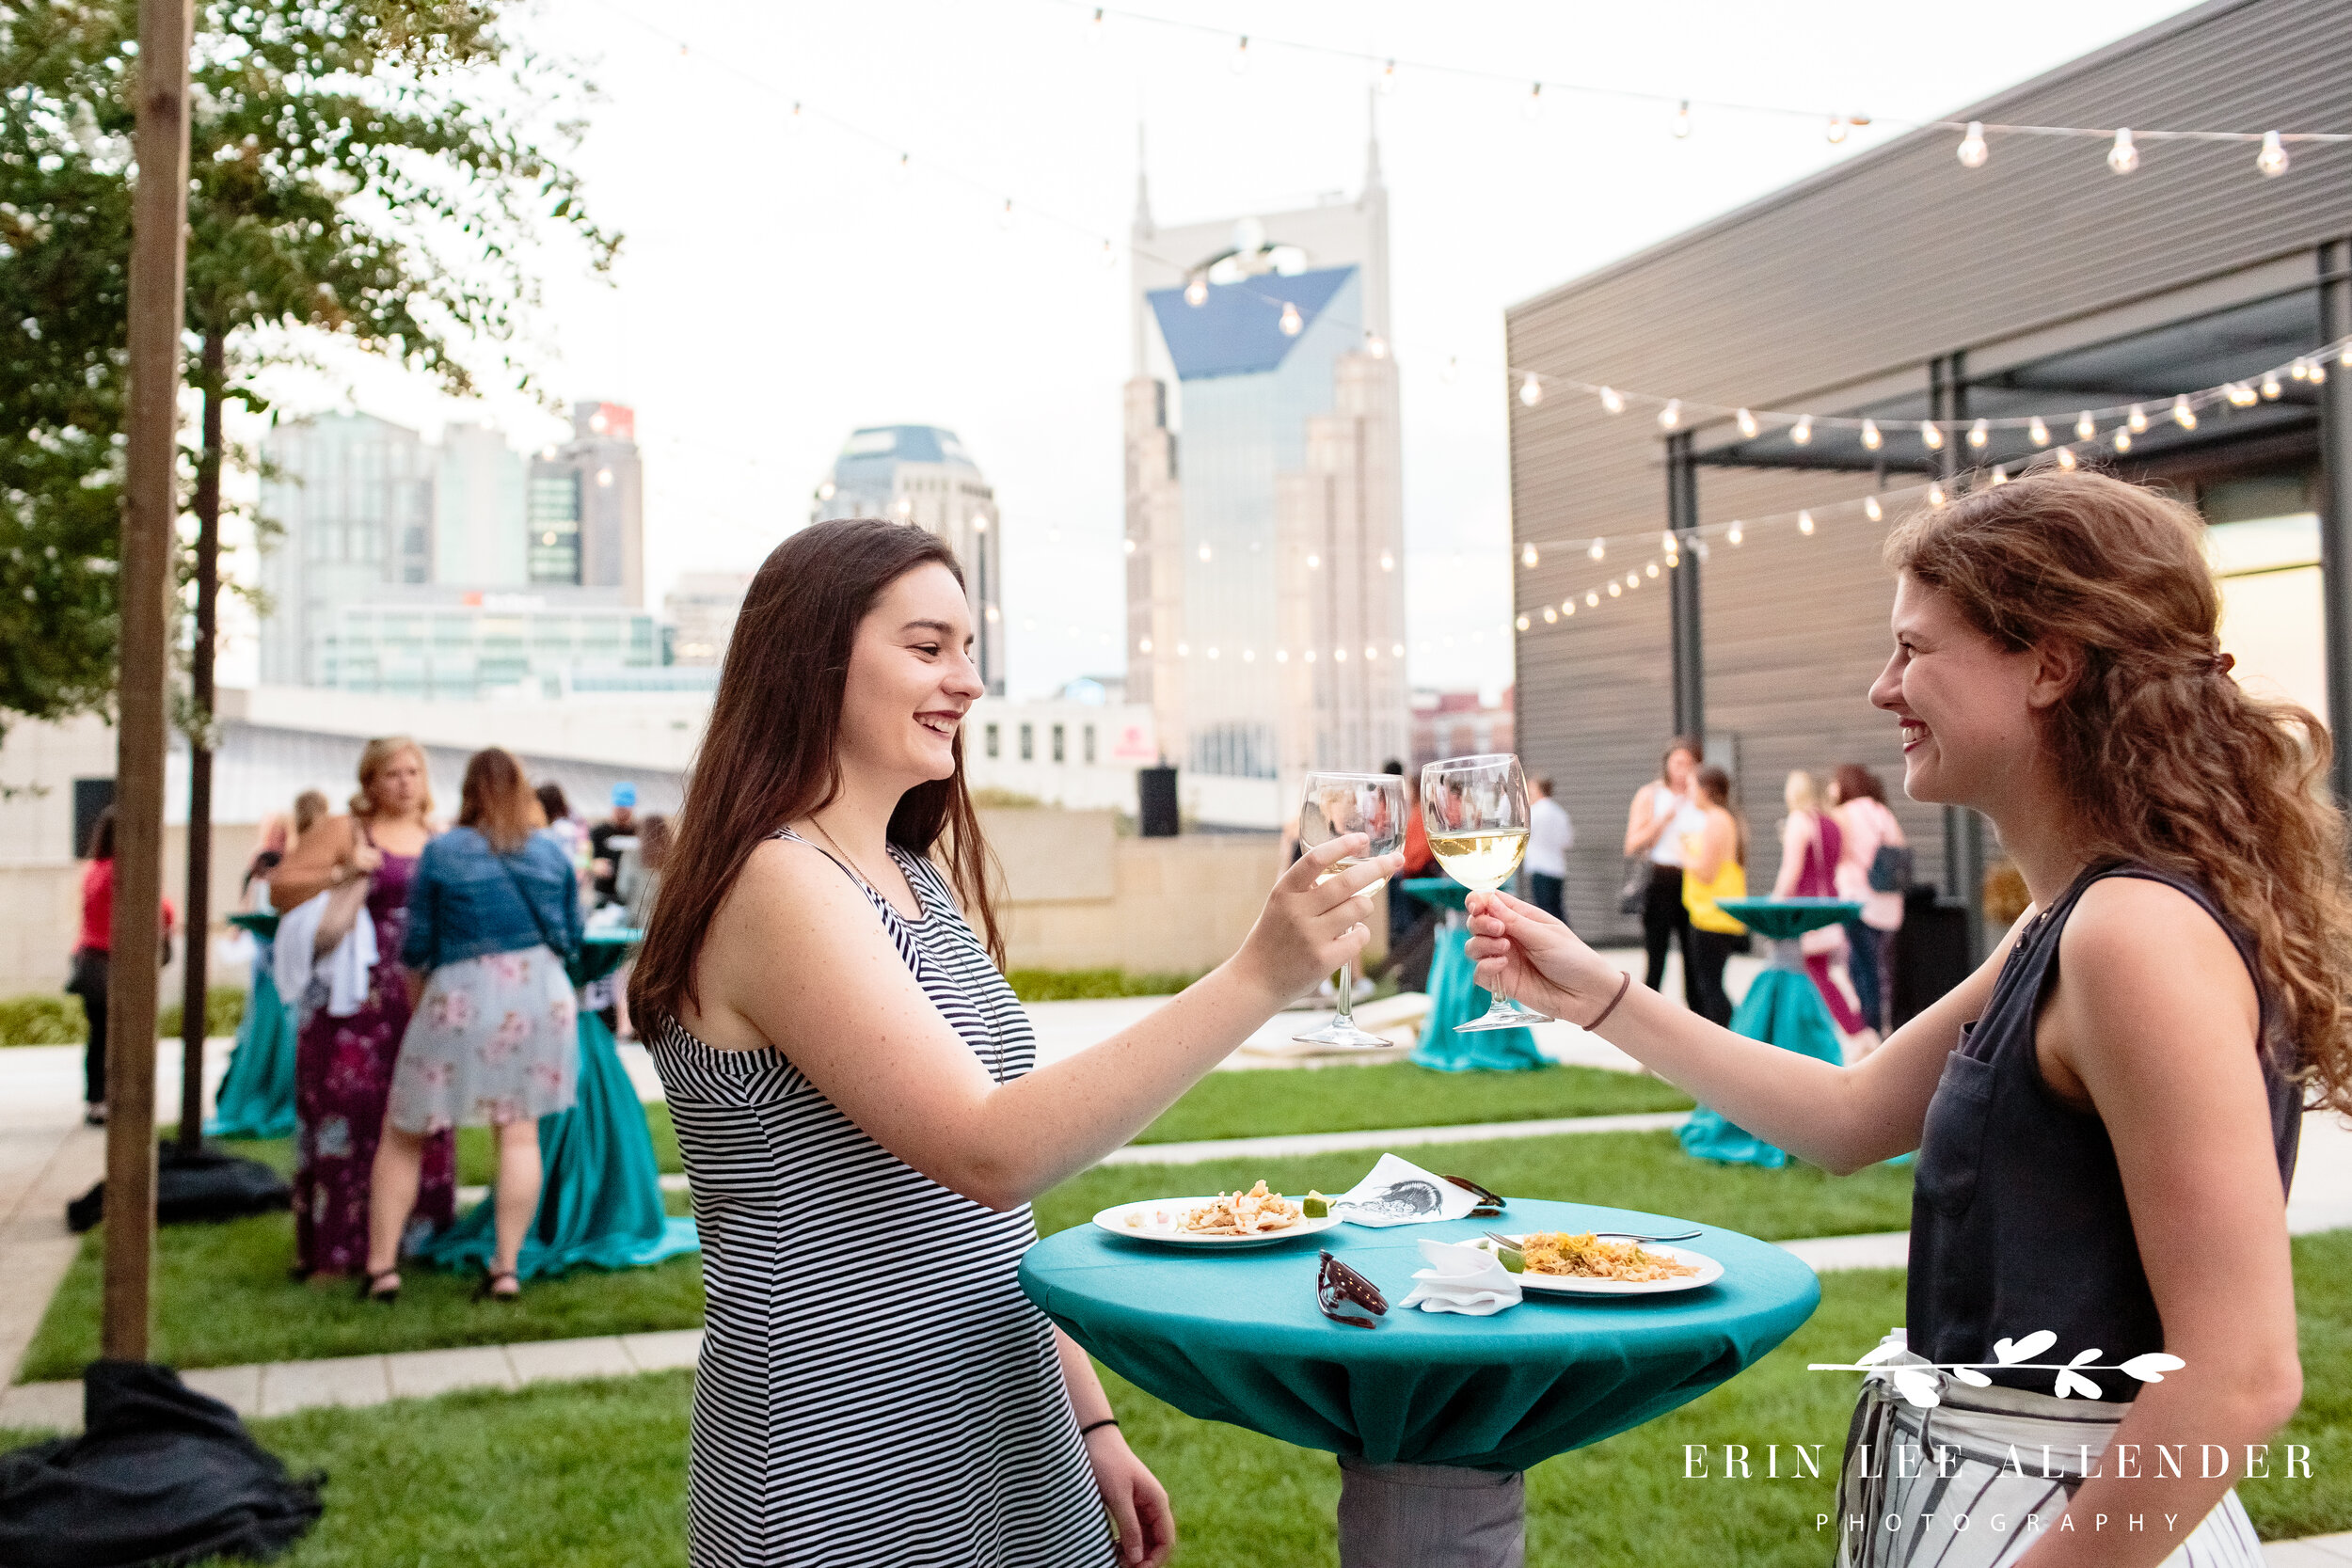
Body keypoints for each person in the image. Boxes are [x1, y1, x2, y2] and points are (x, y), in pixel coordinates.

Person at [1465, 467, 2346, 1566]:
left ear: (2049, 663)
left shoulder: (2132, 935)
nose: (1884, 689)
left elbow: (2242, 1374)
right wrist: (1596, 993)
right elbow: (1845, 1116)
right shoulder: (2069, 918)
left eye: (1914, 649)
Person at [628, 517, 1395, 1568]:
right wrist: (1257, 976)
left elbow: (987, 1219)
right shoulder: (776, 884)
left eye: (971, 649)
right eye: (928, 645)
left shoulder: (917, 876)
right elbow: (992, 1150)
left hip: (1004, 1423)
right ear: (812, 658)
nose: (968, 681)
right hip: (845, 1452)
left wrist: (1089, 1421)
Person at [362, 748, 582, 1304]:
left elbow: (416, 948)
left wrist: (423, 1010)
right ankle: (505, 1268)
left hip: (461, 992)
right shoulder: (552, 855)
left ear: (467, 791)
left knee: (404, 1131)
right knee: (519, 1131)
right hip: (539, 993)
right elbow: (571, 939)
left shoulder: (441, 852)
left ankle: (381, 1268)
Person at [270, 736, 454, 1279]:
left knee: (419, 1113)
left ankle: (417, 1241)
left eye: (413, 771)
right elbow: (281, 887)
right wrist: (342, 873)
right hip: (355, 1002)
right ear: (369, 781)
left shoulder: (438, 837)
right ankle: (339, 1244)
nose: (404, 782)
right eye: (391, 773)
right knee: (347, 1113)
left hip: (421, 994)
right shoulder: (344, 830)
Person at [65, 808, 177, 1127]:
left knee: (98, 1035)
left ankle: (96, 1099)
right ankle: (119, 1098)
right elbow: (163, 911)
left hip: (89, 961)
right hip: (114, 964)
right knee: (122, 1037)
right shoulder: (125, 871)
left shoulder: (94, 869)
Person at [1773, 769, 1867, 1037]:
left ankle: (1848, 1030)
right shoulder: (1831, 823)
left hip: (1804, 910)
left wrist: (1775, 904)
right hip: (1829, 903)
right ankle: (1853, 1027)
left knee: (1810, 974)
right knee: (1822, 972)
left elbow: (1790, 870)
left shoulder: (1799, 821)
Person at [1623, 736, 1706, 1006]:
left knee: (1695, 959)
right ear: (1667, 765)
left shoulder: (1700, 795)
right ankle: (1650, 1016)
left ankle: (1697, 1019)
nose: (1683, 769)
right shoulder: (1652, 795)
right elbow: (1632, 844)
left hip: (1693, 878)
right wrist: (1664, 818)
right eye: (1677, 763)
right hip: (1660, 878)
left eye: (1689, 764)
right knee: (1657, 956)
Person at [1828, 763, 1907, 1037]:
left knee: (1862, 971)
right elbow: (1899, 854)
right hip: (1889, 906)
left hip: (1857, 902)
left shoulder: (1842, 814)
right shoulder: (1883, 813)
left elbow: (1832, 854)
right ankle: (1883, 1026)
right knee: (1881, 972)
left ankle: (1870, 1029)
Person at [1677, 766, 1746, 1027]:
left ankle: (1729, 1037)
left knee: (1709, 987)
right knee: (1707, 985)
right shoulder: (1721, 818)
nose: (1690, 794)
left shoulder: (1717, 820)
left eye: (1693, 787)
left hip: (1713, 916)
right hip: (1709, 914)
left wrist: (1684, 856)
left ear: (1706, 791)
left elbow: (1706, 872)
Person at [1525, 774, 1574, 927]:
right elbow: (1568, 841)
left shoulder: (1533, 812)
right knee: (1557, 910)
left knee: (1544, 913)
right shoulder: (1560, 813)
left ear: (1538, 790)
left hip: (1540, 868)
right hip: (1557, 869)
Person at [589, 784, 638, 907]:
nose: (622, 813)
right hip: (603, 895)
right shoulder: (598, 832)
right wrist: (593, 865)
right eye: (619, 808)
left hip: (633, 898)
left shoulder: (640, 833)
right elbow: (583, 859)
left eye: (625, 808)